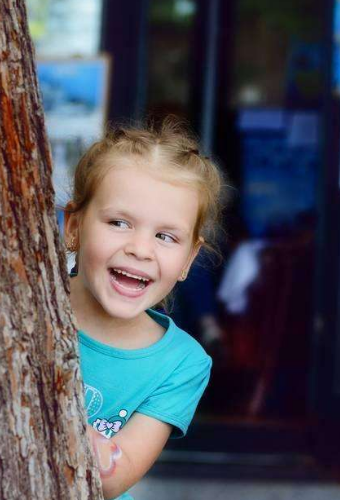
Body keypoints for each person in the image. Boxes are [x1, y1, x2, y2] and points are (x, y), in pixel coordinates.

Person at [62, 119, 226, 500]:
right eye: (119, 222)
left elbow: (113, 478)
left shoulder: (183, 363)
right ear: (74, 226)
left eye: (165, 236)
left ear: (189, 258)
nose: (141, 248)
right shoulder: (29, 308)